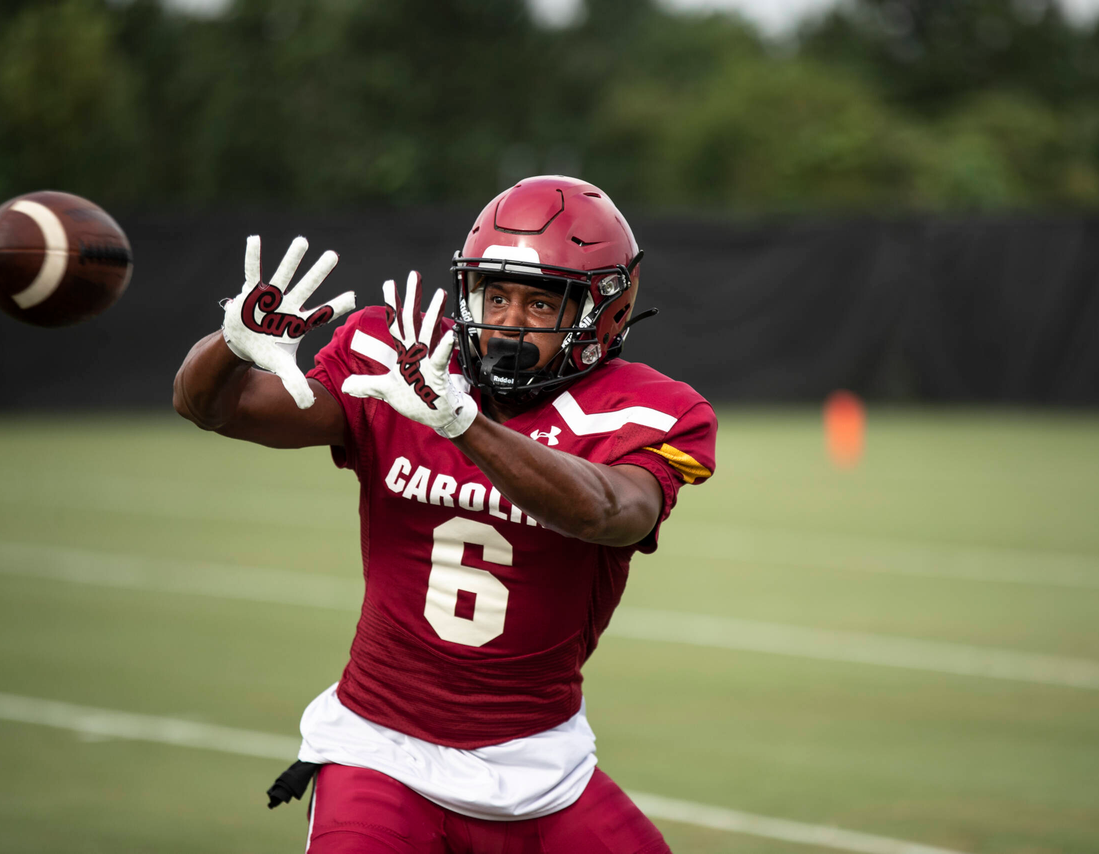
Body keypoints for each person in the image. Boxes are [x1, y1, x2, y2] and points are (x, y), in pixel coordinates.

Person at [173, 175, 717, 853]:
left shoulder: (647, 409)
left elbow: (614, 513)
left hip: (543, 765)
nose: (508, 320)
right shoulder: (400, 357)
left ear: (601, 315)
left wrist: (466, 425)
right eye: (495, 295)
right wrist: (226, 348)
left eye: (539, 301)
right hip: (380, 751)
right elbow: (213, 408)